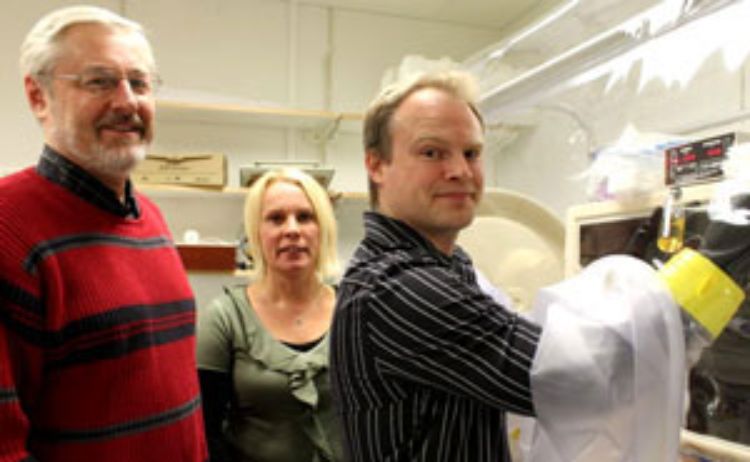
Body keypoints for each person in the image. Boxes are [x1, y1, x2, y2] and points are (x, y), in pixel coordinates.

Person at [328, 69, 749, 462]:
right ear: (376, 164)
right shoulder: (400, 288)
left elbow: (518, 353)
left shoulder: (447, 266)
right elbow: (587, 379)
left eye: (471, 152)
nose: (459, 170)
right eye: (432, 152)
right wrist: (722, 256)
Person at [0, 6, 206, 461]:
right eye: (99, 81)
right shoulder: (6, 230)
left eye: (139, 82)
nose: (127, 102)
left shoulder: (148, 216)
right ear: (38, 96)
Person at [197, 168, 343, 461]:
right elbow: (204, 431)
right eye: (276, 219)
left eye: (305, 217)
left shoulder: (353, 311)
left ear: (322, 228)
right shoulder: (225, 318)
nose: (292, 230)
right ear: (256, 232)